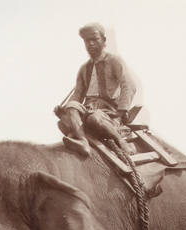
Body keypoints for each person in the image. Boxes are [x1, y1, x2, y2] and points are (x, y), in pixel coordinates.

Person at [55, 22, 137, 158]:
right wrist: (63, 109)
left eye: (95, 39)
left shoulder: (114, 61)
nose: (91, 43)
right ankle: (83, 142)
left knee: (93, 119)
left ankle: (121, 142)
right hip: (87, 110)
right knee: (69, 110)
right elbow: (77, 95)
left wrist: (122, 110)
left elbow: (129, 84)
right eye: (87, 40)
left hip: (108, 112)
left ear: (104, 40)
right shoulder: (84, 68)